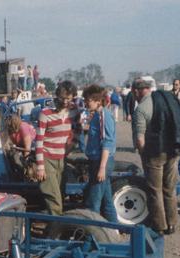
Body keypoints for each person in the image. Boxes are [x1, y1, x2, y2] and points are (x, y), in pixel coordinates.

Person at [133, 79, 180, 234]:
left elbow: (140, 139)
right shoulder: (167, 100)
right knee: (169, 188)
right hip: (173, 151)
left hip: (154, 154)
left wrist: (144, 154)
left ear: (136, 91)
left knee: (155, 190)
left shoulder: (141, 109)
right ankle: (172, 223)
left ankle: (160, 226)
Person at [35, 80, 79, 215]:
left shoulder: (74, 112)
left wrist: (70, 148)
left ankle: (53, 226)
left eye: (69, 98)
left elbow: (77, 132)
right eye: (63, 98)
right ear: (57, 96)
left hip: (62, 160)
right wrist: (40, 166)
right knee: (54, 199)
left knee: (60, 194)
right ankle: (57, 231)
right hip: (47, 159)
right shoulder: (45, 113)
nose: (66, 101)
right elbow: (39, 141)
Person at [82, 84, 118, 222]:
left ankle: (92, 235)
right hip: (97, 161)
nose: (86, 103)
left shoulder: (104, 115)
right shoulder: (97, 115)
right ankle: (116, 228)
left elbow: (107, 142)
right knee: (106, 200)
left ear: (98, 101)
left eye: (88, 100)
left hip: (101, 162)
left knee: (93, 201)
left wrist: (102, 168)